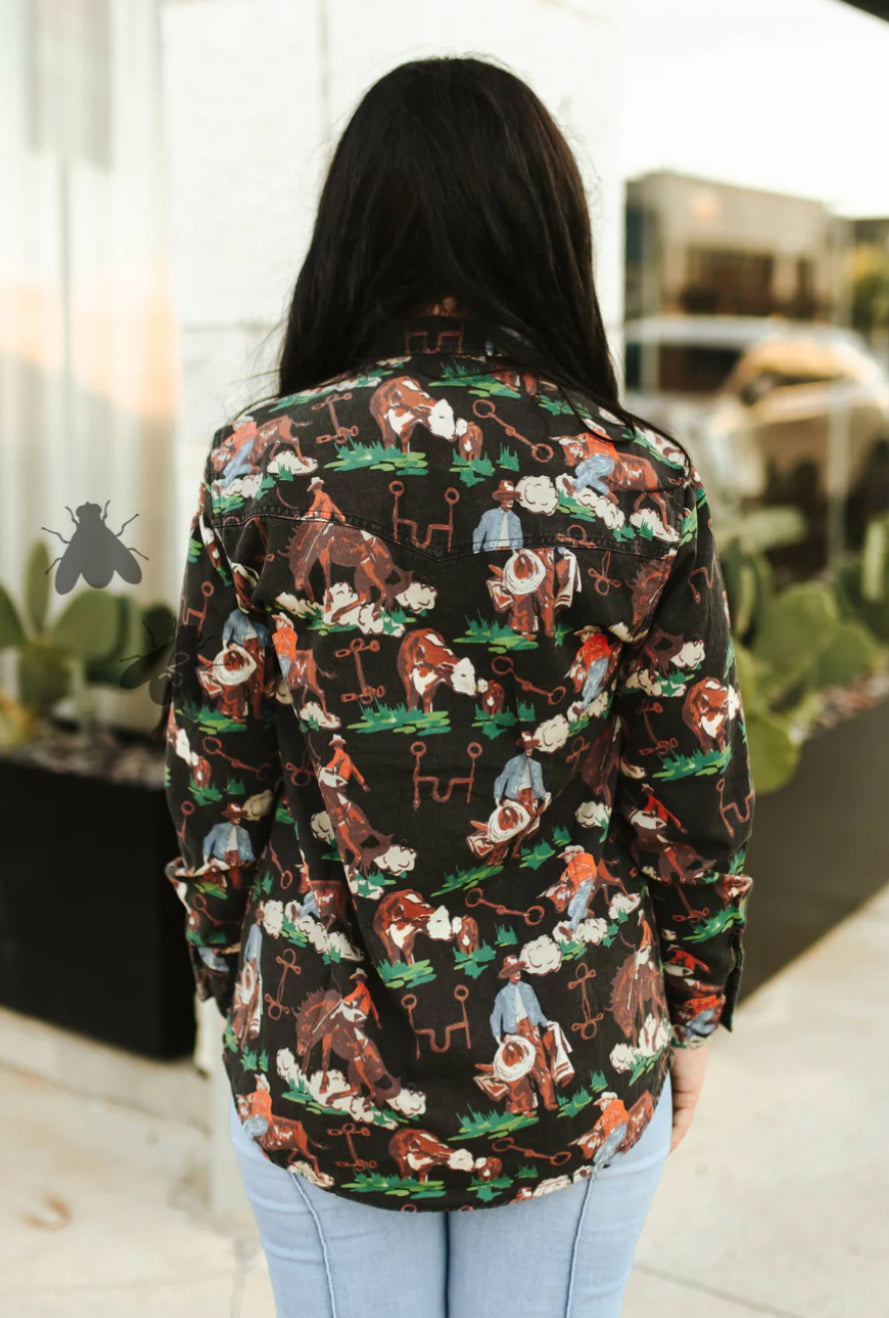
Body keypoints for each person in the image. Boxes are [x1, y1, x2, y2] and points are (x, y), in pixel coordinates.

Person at [163, 54, 755, 1318]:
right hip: (573, 1058)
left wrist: (233, 979)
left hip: (319, 1055)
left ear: (351, 230)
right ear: (548, 229)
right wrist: (695, 1008)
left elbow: (214, 776)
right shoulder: (635, 481)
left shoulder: (260, 469)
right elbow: (692, 788)